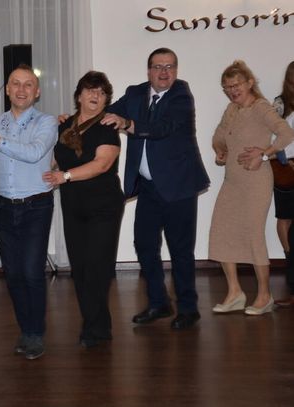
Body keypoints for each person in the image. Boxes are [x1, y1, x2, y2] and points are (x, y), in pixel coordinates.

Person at [102, 48, 210, 329]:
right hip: (149, 188)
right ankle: (159, 303)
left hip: (179, 187)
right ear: (148, 70)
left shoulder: (181, 95)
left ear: (176, 70)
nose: (164, 72)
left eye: (170, 66)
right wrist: (77, 119)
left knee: (180, 250)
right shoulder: (135, 93)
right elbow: (107, 114)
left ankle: (188, 308)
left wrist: (128, 124)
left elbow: (162, 128)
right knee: (145, 244)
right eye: (158, 67)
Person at [0, 64, 57, 359]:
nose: (21, 89)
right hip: (4, 205)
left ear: (37, 92)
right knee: (13, 273)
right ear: (7, 89)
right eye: (15, 84)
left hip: (36, 204)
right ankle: (26, 329)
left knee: (32, 271)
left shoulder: (47, 122)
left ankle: (36, 333)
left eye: (28, 84)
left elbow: (34, 152)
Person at [42, 71, 125, 348]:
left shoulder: (108, 126)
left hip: (104, 207)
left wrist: (65, 176)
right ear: (79, 96)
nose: (95, 96)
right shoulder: (65, 127)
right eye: (90, 90)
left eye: (101, 93)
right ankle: (95, 324)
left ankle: (95, 328)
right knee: (80, 268)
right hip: (73, 205)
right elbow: (53, 160)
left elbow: (102, 164)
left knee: (97, 267)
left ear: (106, 99)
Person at [210, 60, 294, 315]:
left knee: (253, 235)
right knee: (221, 232)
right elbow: (218, 136)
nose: (232, 91)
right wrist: (220, 150)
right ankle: (235, 293)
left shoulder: (261, 107)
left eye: (236, 85)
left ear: (249, 83)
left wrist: (265, 153)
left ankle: (265, 296)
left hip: (256, 181)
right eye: (227, 87)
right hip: (232, 181)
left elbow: (287, 134)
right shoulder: (231, 109)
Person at [271, 61, 294, 307]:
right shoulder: (280, 104)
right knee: (285, 216)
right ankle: (290, 258)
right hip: (284, 167)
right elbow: (273, 136)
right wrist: (285, 161)